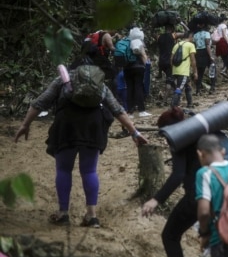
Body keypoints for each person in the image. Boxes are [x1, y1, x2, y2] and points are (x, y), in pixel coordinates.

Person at [14, 45, 148, 227]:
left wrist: (25, 125)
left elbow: (39, 103)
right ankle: (91, 216)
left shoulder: (63, 80)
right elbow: (117, 110)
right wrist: (134, 132)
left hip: (66, 125)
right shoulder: (99, 84)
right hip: (92, 127)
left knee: (63, 170)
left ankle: (63, 213)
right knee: (89, 171)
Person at [141, 108, 228, 257]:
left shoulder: (179, 139)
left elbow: (178, 175)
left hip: (199, 195)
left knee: (170, 235)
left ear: (168, 130)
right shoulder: (211, 129)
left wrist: (156, 199)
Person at [124, 26, 151, 117]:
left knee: (129, 89)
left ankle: (130, 112)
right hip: (138, 68)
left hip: (127, 68)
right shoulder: (139, 42)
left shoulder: (127, 42)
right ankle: (141, 110)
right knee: (138, 88)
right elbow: (143, 55)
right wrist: (147, 66)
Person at [170, 32, 197, 108]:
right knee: (179, 89)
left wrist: (173, 69)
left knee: (188, 86)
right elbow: (193, 60)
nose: (193, 39)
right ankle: (173, 106)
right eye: (192, 37)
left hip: (175, 71)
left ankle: (190, 104)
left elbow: (171, 59)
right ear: (190, 36)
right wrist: (195, 72)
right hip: (183, 72)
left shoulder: (176, 45)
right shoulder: (190, 45)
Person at [193, 23, 213, 96]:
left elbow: (194, 45)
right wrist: (211, 56)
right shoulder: (207, 33)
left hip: (198, 53)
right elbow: (207, 45)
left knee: (200, 72)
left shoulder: (195, 35)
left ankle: (197, 90)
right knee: (212, 70)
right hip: (205, 52)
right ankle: (213, 88)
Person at [212, 14, 228, 82]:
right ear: (224, 20)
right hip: (224, 42)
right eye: (227, 20)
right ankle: (224, 71)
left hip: (219, 43)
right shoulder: (224, 26)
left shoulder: (218, 26)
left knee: (224, 59)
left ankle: (225, 78)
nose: (227, 22)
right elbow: (224, 36)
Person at [156, 24, 177, 95]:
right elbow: (187, 33)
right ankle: (164, 100)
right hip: (169, 62)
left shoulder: (159, 37)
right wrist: (181, 23)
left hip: (161, 62)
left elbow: (152, 34)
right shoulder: (173, 36)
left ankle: (177, 93)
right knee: (169, 79)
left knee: (170, 77)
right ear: (171, 29)